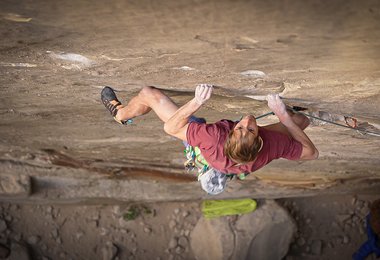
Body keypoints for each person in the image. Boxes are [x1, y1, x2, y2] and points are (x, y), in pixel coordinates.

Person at [101, 84, 318, 190]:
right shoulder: (270, 146)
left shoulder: (212, 137)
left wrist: (196, 102)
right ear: (259, 140)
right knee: (298, 121)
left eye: (246, 128)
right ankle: (127, 114)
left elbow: (171, 128)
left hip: (209, 151)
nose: (248, 121)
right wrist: (284, 117)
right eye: (247, 129)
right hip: (227, 163)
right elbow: (311, 152)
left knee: (149, 94)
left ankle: (120, 114)